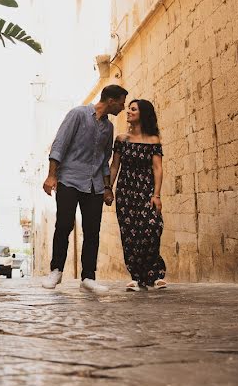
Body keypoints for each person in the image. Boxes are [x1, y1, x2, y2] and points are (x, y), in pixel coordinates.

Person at [41, 84, 128, 293]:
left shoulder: (109, 127)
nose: (123, 108)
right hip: (69, 179)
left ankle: (88, 276)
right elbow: (59, 144)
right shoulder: (78, 114)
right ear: (110, 101)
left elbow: (104, 160)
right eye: (121, 103)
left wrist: (107, 188)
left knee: (92, 231)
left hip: (95, 185)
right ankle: (56, 270)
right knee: (64, 225)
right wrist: (52, 175)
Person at [109, 99, 168, 291]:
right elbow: (115, 166)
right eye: (129, 108)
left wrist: (156, 195)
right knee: (130, 236)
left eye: (133, 109)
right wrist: (108, 188)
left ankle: (154, 274)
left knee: (152, 229)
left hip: (146, 192)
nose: (128, 112)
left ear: (143, 113)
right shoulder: (121, 140)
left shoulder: (153, 141)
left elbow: (158, 169)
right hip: (126, 193)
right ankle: (136, 277)